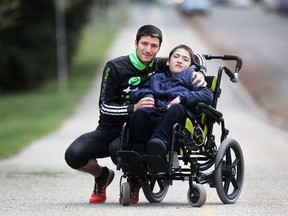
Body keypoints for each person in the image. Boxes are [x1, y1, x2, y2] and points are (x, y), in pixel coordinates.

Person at [64, 25, 206, 205]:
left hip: (139, 127)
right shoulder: (114, 67)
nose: (148, 50)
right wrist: (133, 108)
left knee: (119, 151)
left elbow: (193, 58)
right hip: (111, 127)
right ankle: (102, 176)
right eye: (144, 44)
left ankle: (135, 182)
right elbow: (104, 107)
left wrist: (198, 72)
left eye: (154, 46)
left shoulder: (161, 64)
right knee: (74, 155)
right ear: (136, 43)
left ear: (159, 48)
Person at [130, 44, 213, 158]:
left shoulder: (192, 77)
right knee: (140, 112)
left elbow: (207, 95)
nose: (179, 61)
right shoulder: (156, 77)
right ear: (168, 62)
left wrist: (181, 98)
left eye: (185, 59)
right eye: (176, 57)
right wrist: (148, 95)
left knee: (176, 108)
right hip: (158, 111)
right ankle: (138, 153)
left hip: (181, 116)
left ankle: (160, 142)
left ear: (190, 65)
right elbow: (138, 91)